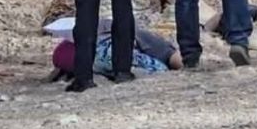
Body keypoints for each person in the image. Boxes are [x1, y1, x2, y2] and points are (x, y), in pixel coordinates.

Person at [48, 17, 184, 82]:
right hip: (84, 54)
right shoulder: (149, 40)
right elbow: (173, 58)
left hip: (69, 55)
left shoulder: (63, 50)